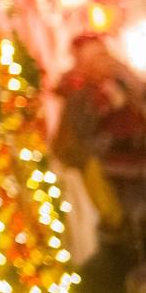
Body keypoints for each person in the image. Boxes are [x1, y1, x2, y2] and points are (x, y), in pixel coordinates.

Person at [52, 33, 146, 290]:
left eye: (102, 55)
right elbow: (74, 144)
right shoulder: (79, 95)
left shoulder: (130, 83)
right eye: (92, 58)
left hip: (136, 175)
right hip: (109, 184)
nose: (102, 63)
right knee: (124, 241)